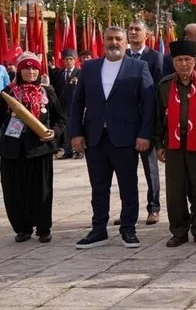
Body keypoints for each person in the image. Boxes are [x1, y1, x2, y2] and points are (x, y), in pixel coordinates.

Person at [70, 26, 155, 249]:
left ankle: (128, 229)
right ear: (103, 41)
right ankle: (98, 229)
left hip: (126, 138)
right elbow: (78, 103)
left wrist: (145, 134)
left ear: (125, 41)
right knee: (98, 186)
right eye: (110, 39)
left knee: (128, 185)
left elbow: (148, 104)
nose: (114, 43)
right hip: (95, 137)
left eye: (118, 39)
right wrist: (76, 133)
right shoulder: (89, 68)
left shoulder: (139, 67)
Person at [154, 40, 196, 247]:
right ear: (173, 62)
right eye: (179, 60)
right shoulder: (164, 86)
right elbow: (156, 118)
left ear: (195, 60)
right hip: (173, 144)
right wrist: (158, 145)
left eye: (188, 60)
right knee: (175, 190)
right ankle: (179, 231)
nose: (183, 64)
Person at [0, 52, 66, 243]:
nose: (31, 72)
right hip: (13, 152)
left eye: (34, 68)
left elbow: (60, 119)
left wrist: (54, 132)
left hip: (40, 150)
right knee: (15, 191)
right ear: (19, 71)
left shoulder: (47, 92)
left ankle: (43, 228)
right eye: (27, 68)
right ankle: (22, 228)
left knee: (41, 191)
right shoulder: (8, 93)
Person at [124, 19, 163, 226]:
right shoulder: (122, 56)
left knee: (150, 169)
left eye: (137, 29)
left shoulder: (155, 57)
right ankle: (128, 211)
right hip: (124, 122)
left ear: (146, 34)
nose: (133, 32)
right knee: (126, 170)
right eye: (130, 29)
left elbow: (157, 93)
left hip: (146, 121)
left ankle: (154, 208)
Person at [52, 48, 80, 160]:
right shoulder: (59, 73)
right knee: (66, 129)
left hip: (75, 105)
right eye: (66, 59)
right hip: (63, 106)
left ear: (75, 60)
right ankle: (68, 151)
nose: (68, 61)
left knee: (77, 127)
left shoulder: (80, 73)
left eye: (70, 59)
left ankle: (79, 150)